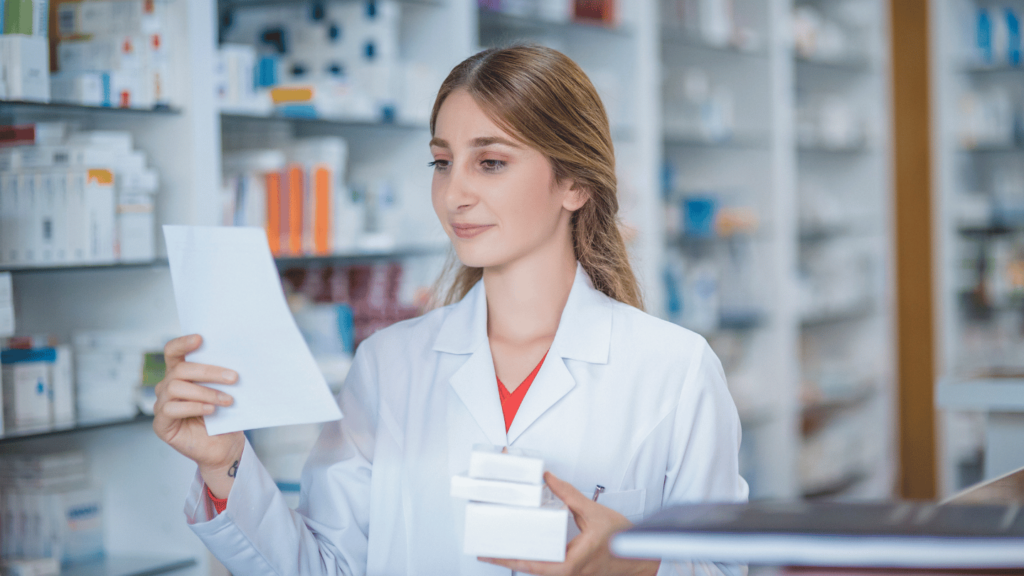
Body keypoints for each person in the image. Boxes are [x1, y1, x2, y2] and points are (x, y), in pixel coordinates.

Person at [153, 44, 748, 575]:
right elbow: (328, 567)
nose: (454, 193)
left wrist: (639, 565)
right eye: (442, 162)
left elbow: (724, 569)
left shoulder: (674, 369)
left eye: (490, 162)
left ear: (575, 184)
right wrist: (226, 462)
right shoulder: (389, 365)